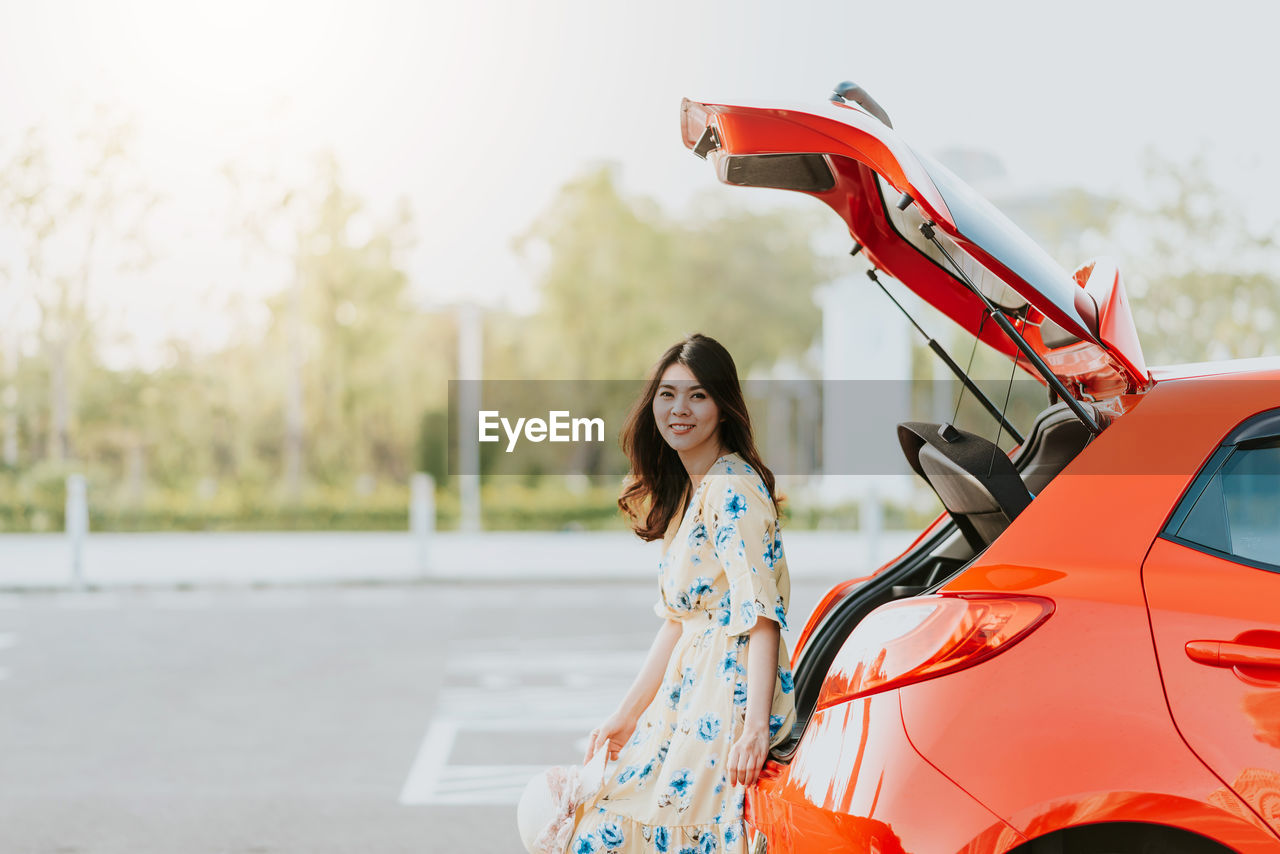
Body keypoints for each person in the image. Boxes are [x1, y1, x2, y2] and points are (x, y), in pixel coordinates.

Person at [569, 333, 796, 854]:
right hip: (688, 694)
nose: (679, 409)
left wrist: (755, 728)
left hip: (725, 694)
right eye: (668, 394)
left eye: (697, 395)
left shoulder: (731, 489)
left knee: (617, 832)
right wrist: (624, 717)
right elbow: (677, 621)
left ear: (723, 406)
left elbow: (760, 614)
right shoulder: (696, 488)